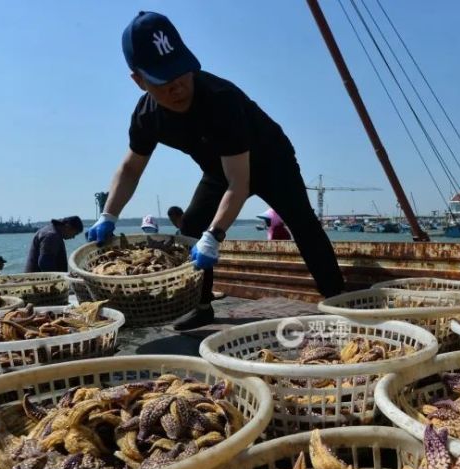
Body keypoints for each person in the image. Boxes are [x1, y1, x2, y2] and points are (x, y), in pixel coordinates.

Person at [85, 11, 345, 330]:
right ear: (138, 79)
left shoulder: (220, 100)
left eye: (182, 72)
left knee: (303, 224)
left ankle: (337, 300)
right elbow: (130, 168)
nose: (178, 87)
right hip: (219, 168)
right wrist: (108, 215)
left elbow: (240, 182)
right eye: (163, 80)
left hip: (271, 160)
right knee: (192, 226)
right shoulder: (147, 116)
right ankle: (201, 305)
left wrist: (216, 235)